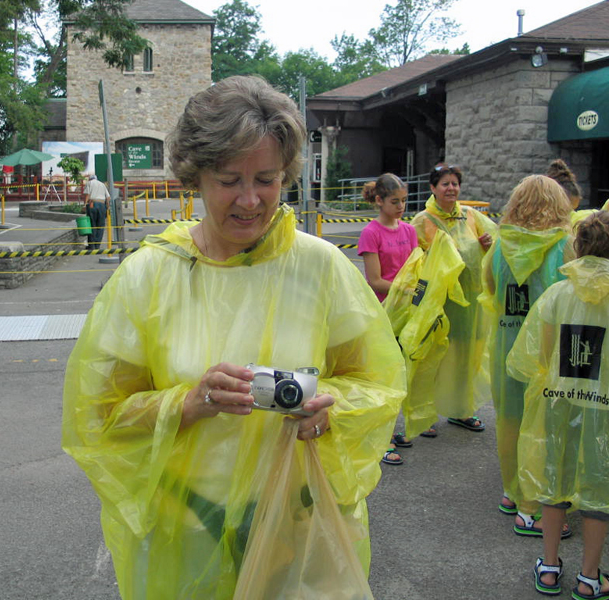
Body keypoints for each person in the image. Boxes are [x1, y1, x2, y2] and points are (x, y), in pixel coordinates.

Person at [62, 75, 406, 599]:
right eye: (228, 180)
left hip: (299, 535)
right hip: (186, 537)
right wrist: (186, 402)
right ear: (194, 177)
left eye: (266, 179)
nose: (250, 200)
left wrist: (332, 410)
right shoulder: (150, 277)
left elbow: (375, 382)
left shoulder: (320, 270)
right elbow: (98, 415)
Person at [507, 211, 609, 599]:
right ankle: (590, 579)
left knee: (554, 478)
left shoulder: (557, 294)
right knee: (600, 485)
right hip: (607, 408)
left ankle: (550, 566)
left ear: (577, 246)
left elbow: (538, 358)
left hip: (557, 402)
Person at [479, 175, 575, 538]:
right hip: (548, 351)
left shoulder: (501, 245)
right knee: (547, 427)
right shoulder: (564, 245)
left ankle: (512, 492)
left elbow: (489, 289)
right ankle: (533, 509)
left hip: (506, 346)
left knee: (510, 420)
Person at [409, 164, 496, 433]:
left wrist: (488, 244)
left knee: (466, 357)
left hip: (471, 302)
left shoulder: (471, 216)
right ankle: (424, 415)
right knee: (433, 358)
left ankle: (462, 410)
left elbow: (493, 245)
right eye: (445, 184)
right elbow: (413, 262)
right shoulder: (422, 220)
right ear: (433, 188)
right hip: (440, 302)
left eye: (455, 184)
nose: (451, 188)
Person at [358, 173, 419, 465]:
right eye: (395, 201)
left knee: (401, 377)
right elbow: (374, 280)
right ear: (379, 201)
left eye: (404, 201)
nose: (401, 207)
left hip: (407, 314)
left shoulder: (409, 230)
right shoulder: (371, 233)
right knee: (384, 380)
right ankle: (379, 440)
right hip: (383, 315)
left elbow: (416, 270)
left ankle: (391, 432)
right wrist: (407, 289)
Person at [82, 172, 111, 250]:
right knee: (100, 226)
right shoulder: (102, 184)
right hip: (102, 205)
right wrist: (107, 207)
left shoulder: (89, 183)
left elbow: (87, 194)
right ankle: (97, 245)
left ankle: (92, 246)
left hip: (92, 204)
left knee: (92, 225)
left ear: (90, 179)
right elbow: (108, 197)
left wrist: (84, 205)